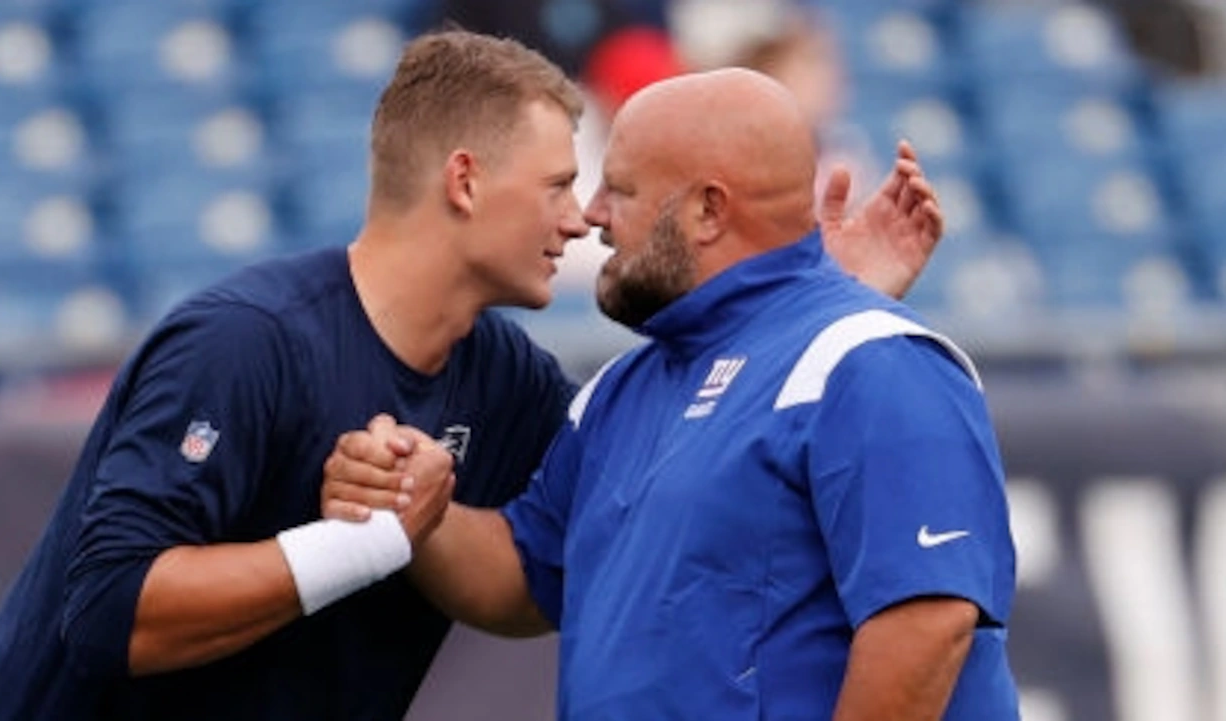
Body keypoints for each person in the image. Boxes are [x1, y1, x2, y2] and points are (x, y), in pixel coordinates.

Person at [0, 30, 946, 721]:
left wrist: (816, 304)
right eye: (559, 185)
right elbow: (112, 609)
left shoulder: (508, 379)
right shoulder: (243, 341)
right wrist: (362, 542)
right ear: (464, 181)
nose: (582, 217)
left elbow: (589, 537)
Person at [324, 68, 1018, 720]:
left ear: (708, 210)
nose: (591, 215)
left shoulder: (868, 359)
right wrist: (419, 502)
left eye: (618, 191)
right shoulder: (621, 389)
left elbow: (926, 622)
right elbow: (523, 575)